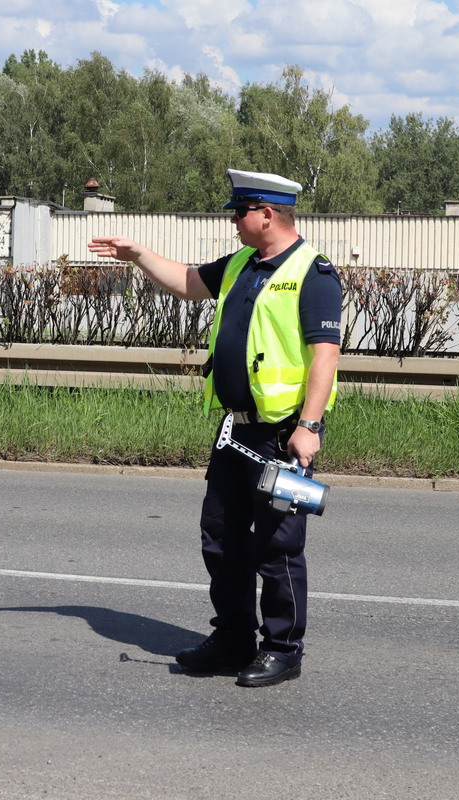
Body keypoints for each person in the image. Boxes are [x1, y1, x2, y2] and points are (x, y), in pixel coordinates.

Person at [88, 170, 341, 688]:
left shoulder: (313, 273)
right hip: (235, 431)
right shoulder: (241, 263)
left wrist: (310, 425)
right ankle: (232, 639)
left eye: (240, 212)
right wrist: (137, 254)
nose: (233, 221)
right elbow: (187, 282)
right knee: (221, 537)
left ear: (266, 214)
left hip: (281, 435)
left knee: (277, 547)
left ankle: (283, 650)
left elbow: (326, 355)